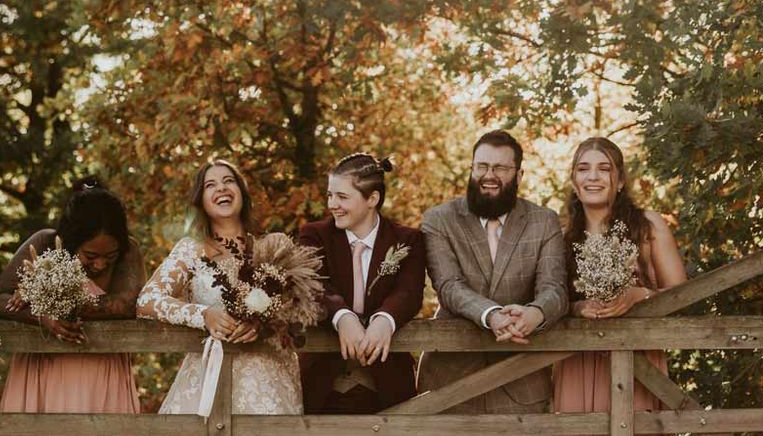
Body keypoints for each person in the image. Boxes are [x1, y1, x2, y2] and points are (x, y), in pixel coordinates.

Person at [417, 130, 568, 413]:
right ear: (472, 169)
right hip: (450, 380)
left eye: (500, 168)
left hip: (522, 377)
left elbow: (555, 288)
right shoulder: (439, 220)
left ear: (519, 175)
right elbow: (449, 285)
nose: (489, 175)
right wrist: (492, 316)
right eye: (482, 166)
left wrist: (535, 313)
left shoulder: (544, 221)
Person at [136, 158, 303, 414]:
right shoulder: (190, 249)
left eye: (229, 181)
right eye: (210, 185)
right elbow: (147, 300)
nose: (221, 189)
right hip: (209, 376)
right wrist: (203, 315)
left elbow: (301, 304)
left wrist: (265, 323)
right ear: (200, 200)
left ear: (242, 193)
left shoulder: (274, 245)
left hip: (268, 380)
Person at [553, 137, 686, 412]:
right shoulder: (558, 233)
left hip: (638, 360)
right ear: (574, 180)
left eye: (604, 168)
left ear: (621, 180)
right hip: (576, 359)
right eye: (583, 168)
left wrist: (639, 296)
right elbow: (547, 298)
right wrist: (578, 307)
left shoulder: (648, 226)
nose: (593, 177)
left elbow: (682, 297)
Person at [0, 177, 145, 413]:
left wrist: (50, 299)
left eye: (109, 256)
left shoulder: (129, 251)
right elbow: (1, 297)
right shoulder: (45, 242)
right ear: (69, 242)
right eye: (90, 256)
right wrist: (42, 316)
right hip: (43, 369)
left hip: (101, 373)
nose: (99, 264)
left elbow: (128, 305)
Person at [299, 153, 426, 413]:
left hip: (387, 385)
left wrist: (384, 321)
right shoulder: (314, 235)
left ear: (372, 199)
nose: (332, 204)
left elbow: (409, 292)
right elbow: (313, 285)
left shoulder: (408, 240)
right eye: (330, 195)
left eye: (342, 197)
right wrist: (343, 317)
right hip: (321, 384)